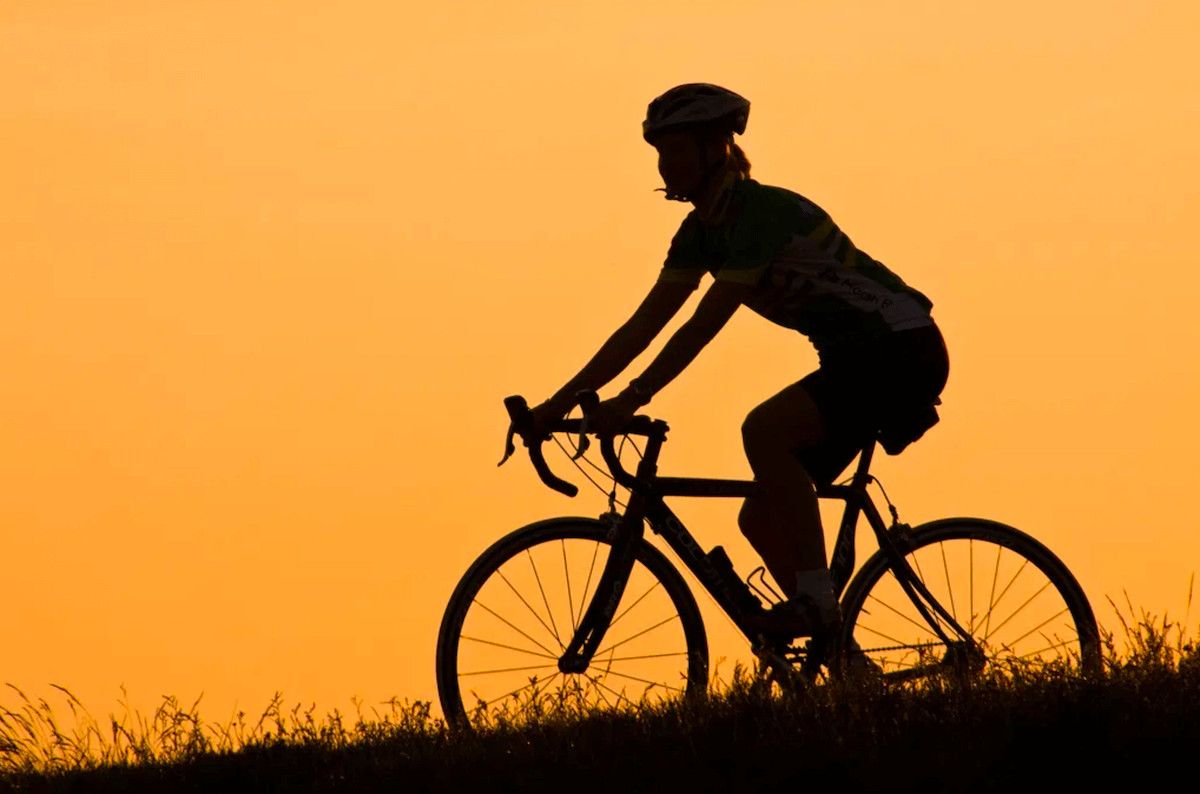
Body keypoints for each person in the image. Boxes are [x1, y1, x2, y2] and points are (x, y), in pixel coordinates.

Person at [529, 83, 949, 637]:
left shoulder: (761, 214)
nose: (664, 164)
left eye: (676, 150)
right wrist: (554, 406)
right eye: (659, 152)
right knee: (759, 517)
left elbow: (701, 326)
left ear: (715, 150)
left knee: (764, 431)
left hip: (898, 348)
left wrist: (630, 400)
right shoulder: (700, 233)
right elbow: (642, 327)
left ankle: (817, 606)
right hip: (856, 359)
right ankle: (843, 657)